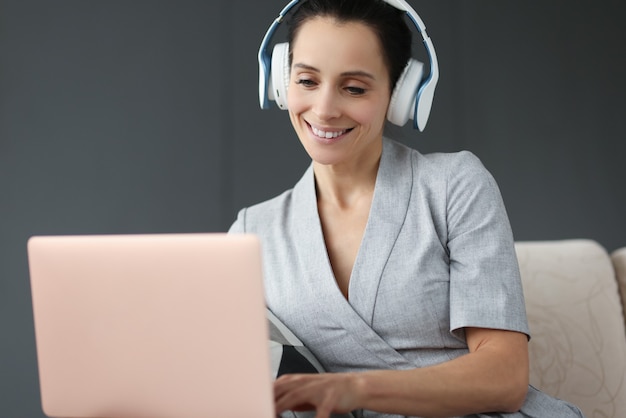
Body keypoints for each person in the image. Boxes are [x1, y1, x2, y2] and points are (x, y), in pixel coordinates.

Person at [229, 0, 585, 417]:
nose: (324, 109)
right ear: (279, 82)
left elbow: (504, 377)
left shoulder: (455, 186)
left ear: (400, 97)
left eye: (354, 88)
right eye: (307, 80)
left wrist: (355, 389)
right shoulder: (253, 232)